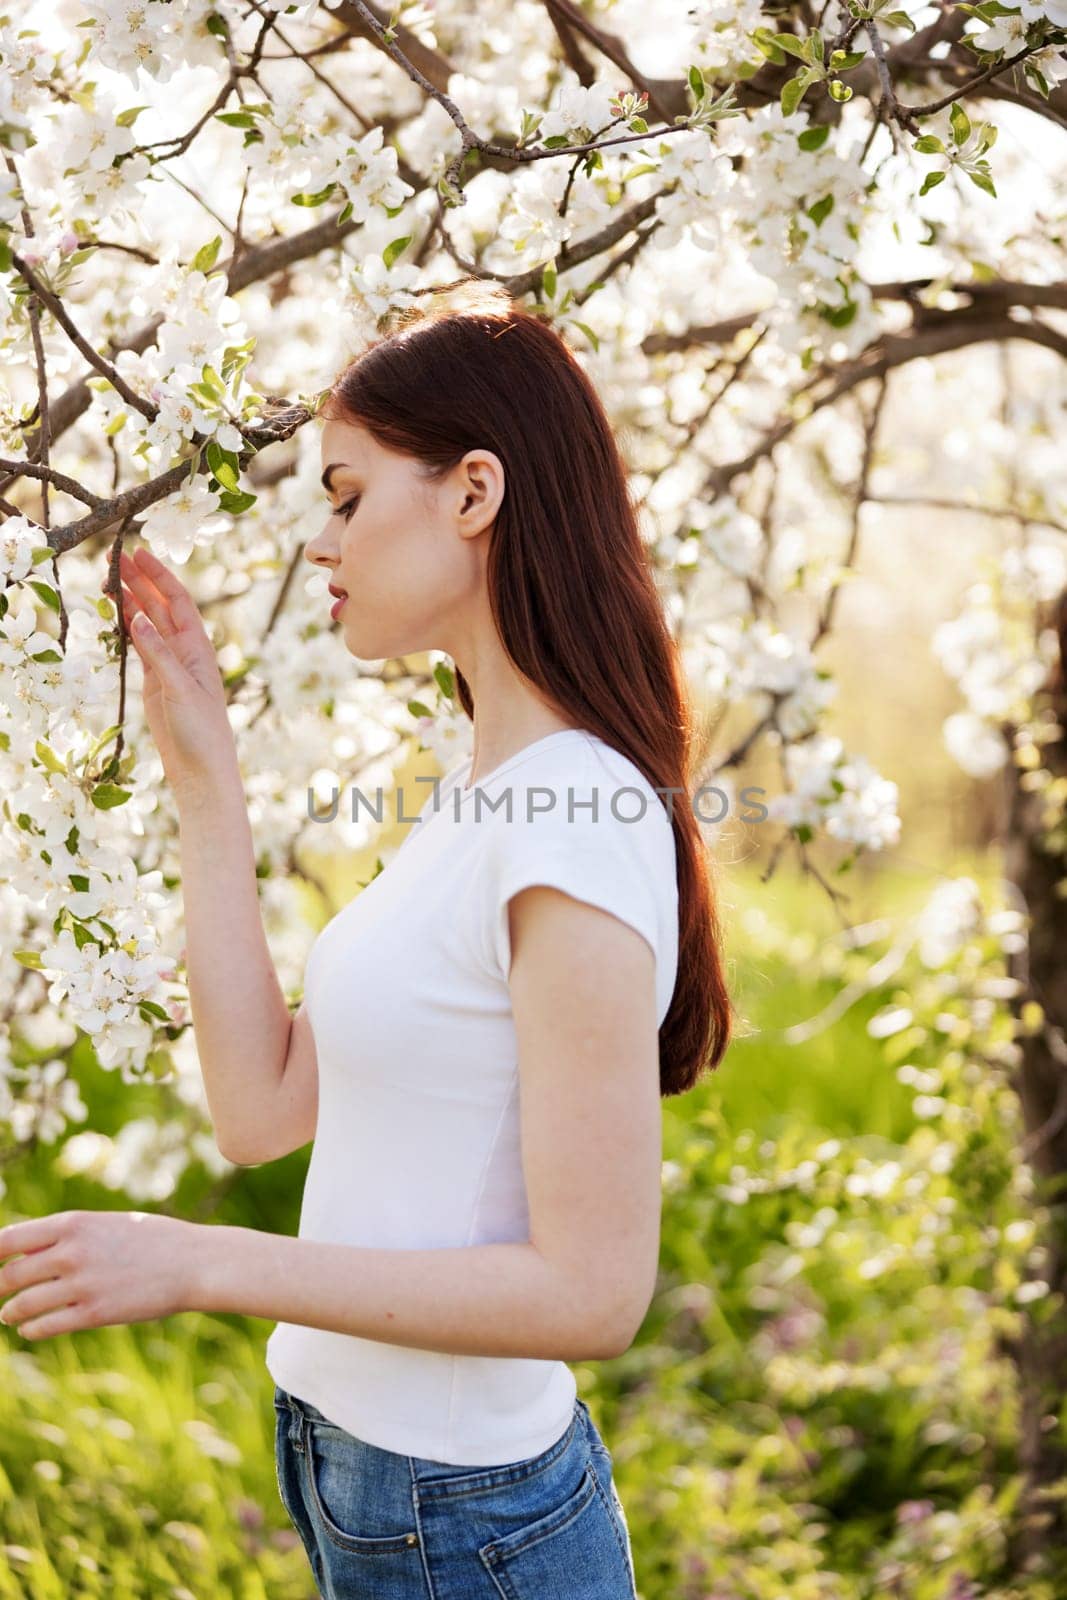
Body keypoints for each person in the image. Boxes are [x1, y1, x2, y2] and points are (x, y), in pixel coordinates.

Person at [111, 280, 732, 1597]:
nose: (319, 548)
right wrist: (205, 783)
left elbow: (591, 1293)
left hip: (471, 1527)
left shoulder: (572, 818)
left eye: (344, 496)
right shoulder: (482, 797)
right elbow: (261, 1109)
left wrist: (198, 1262)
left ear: (472, 493)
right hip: (363, 1478)